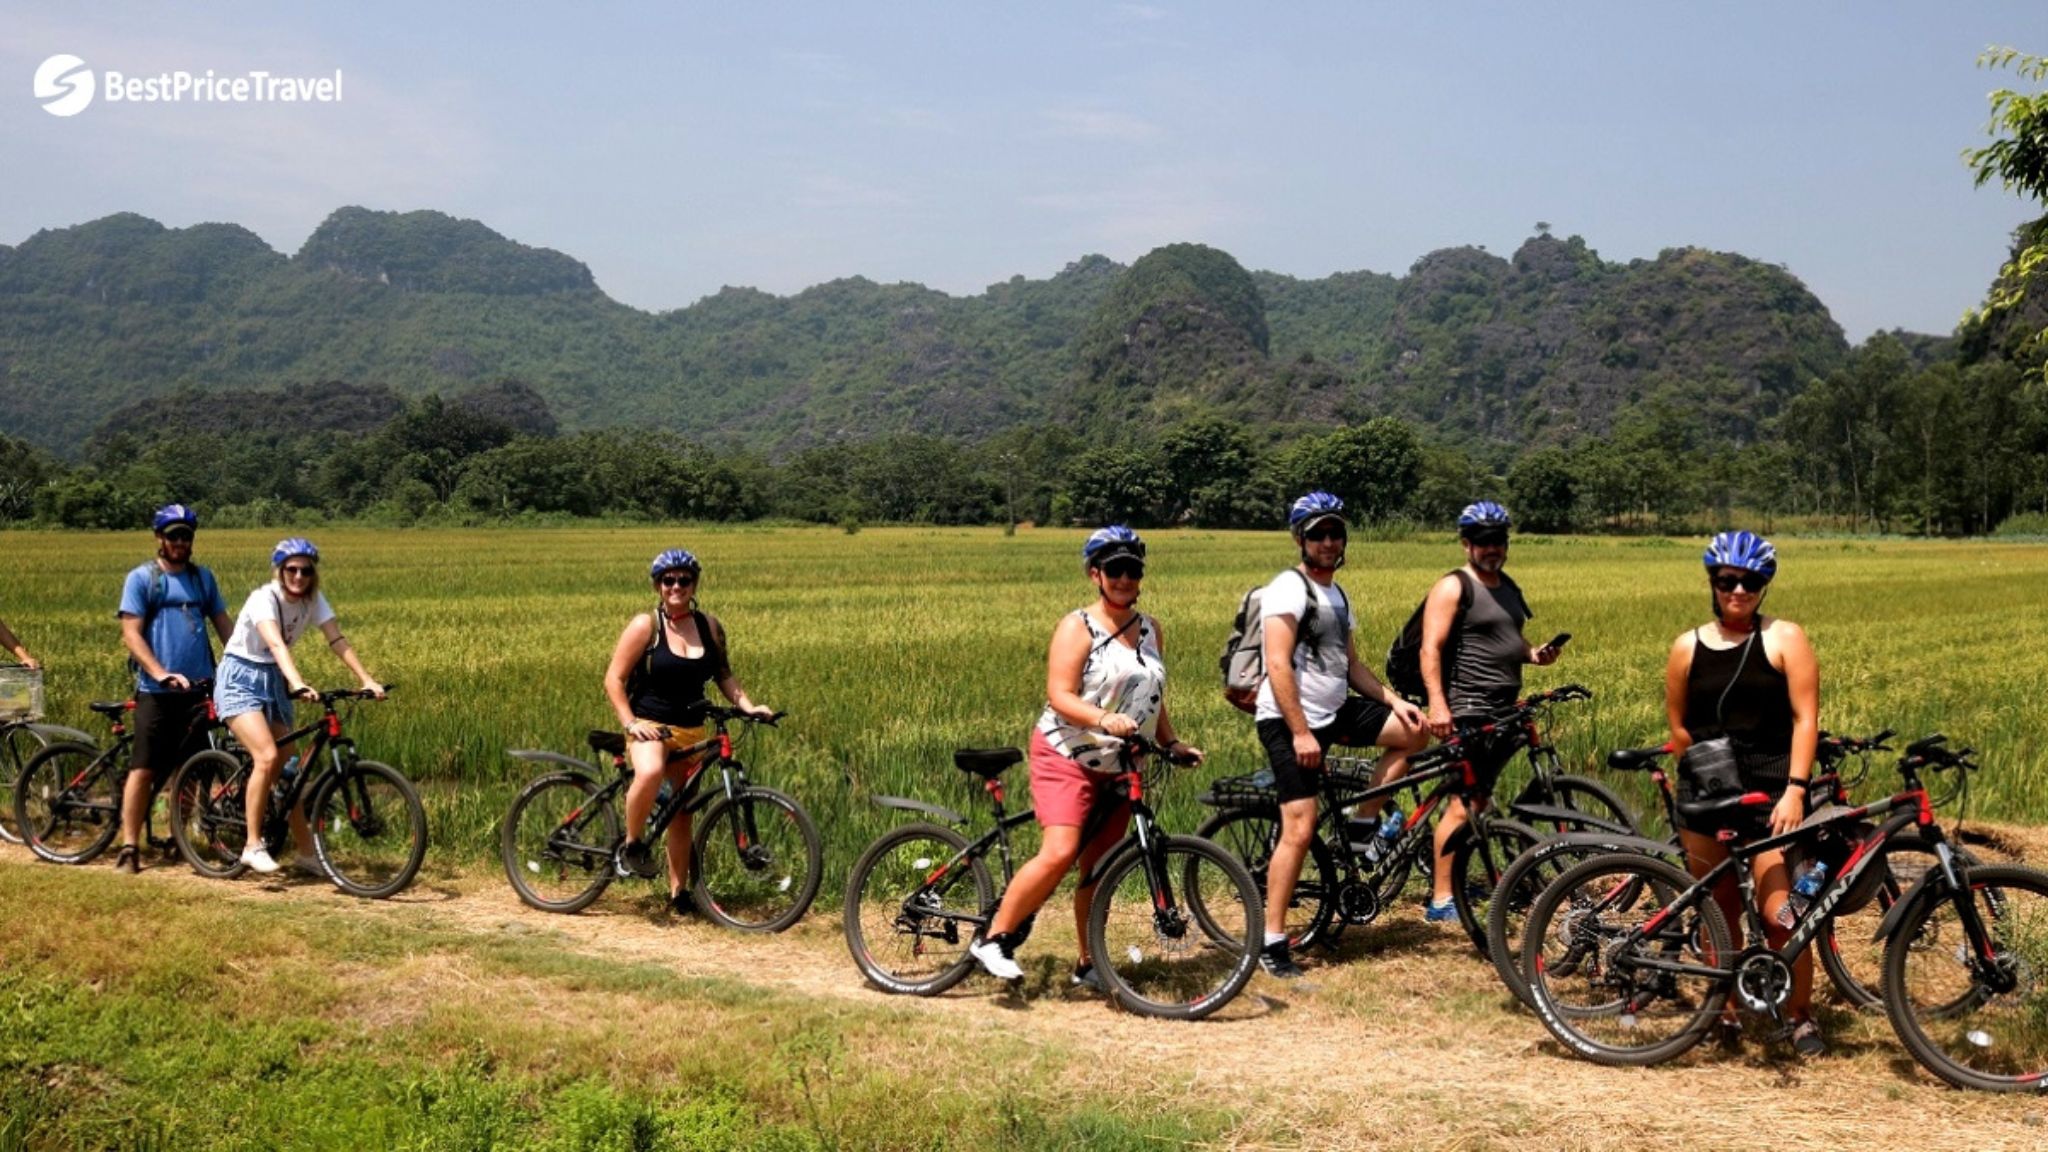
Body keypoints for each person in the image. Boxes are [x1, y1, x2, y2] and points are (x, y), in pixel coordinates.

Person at [968, 526, 1203, 989]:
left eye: (1132, 569)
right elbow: (1059, 694)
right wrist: (1101, 718)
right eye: (1114, 569)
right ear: (1095, 574)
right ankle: (993, 939)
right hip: (1066, 754)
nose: (1124, 578)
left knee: (1097, 869)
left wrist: (1171, 742)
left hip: (1120, 765)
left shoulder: (1151, 629)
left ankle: (1088, 962)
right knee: (1059, 851)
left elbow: (1152, 694)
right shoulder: (1078, 626)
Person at [1664, 530, 1823, 1055]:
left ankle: (1799, 1014)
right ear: (1712, 583)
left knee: (1784, 913)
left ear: (1764, 586)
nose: (1738, 591)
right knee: (1719, 909)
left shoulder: (1785, 639)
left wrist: (1796, 789)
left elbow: (1805, 720)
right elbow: (1679, 727)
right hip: (1708, 797)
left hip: (1773, 793)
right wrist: (1708, 773)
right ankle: (1725, 1014)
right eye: (1727, 581)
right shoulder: (1686, 647)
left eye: (1750, 583)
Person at [1256, 492, 1427, 978]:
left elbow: (1350, 665)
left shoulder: (1339, 594)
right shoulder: (1288, 589)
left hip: (1334, 712)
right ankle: (1271, 940)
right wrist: (1300, 732)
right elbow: (1276, 664)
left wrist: (1394, 701)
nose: (1329, 542)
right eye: (1318, 534)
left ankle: (1360, 825)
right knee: (1300, 828)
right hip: (1289, 720)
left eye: (1335, 533)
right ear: (1299, 539)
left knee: (1413, 735)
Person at [602, 549, 775, 911]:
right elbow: (614, 680)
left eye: (684, 579)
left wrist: (749, 706)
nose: (676, 586)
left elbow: (723, 674)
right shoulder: (644, 626)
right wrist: (630, 723)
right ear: (657, 585)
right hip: (650, 725)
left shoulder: (709, 627)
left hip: (692, 729)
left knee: (682, 815)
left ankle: (679, 893)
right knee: (648, 773)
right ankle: (632, 845)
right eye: (668, 580)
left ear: (694, 583)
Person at [1416, 501, 1561, 922]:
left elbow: (1510, 640)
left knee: (1478, 798)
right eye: (1482, 541)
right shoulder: (1453, 586)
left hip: (1502, 706)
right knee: (1463, 803)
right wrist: (1438, 705)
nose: (1491, 548)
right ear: (1466, 544)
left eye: (1498, 540)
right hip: (1468, 705)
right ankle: (1442, 899)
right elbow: (1431, 648)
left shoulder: (1507, 586)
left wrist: (1536, 654)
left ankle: (1457, 883)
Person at [215, 538, 384, 875]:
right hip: (240, 678)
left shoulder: (313, 599)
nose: (298, 576)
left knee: (290, 769)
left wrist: (367, 679)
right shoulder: (263, 598)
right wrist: (297, 682)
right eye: (291, 569)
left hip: (273, 681)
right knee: (266, 756)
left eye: (306, 570)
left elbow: (336, 639)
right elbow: (276, 643)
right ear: (280, 571)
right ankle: (251, 844)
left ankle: (307, 853)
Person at [114, 504, 232, 875]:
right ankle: (129, 846)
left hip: (198, 690)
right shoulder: (142, 579)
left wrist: (244, 666)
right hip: (156, 690)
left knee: (191, 770)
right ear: (159, 538)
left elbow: (225, 627)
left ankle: (177, 838)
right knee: (144, 768)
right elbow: (131, 634)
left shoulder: (202, 579)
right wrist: (160, 672)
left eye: (186, 535)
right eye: (173, 535)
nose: (180, 542)